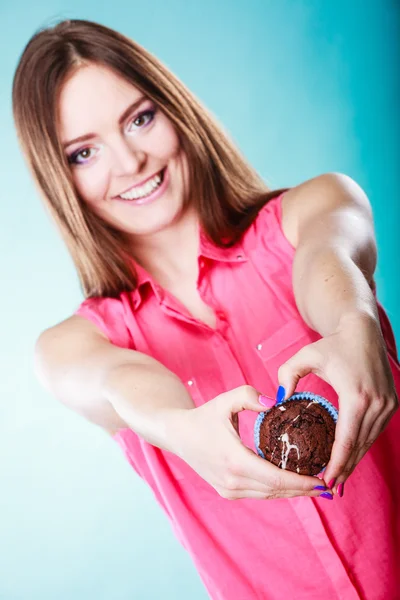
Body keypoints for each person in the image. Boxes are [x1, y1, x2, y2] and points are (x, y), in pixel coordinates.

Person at [12, 18, 400, 600]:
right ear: (59, 176)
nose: (129, 162)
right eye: (84, 152)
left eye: (140, 119)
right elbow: (119, 381)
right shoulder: (73, 346)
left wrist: (352, 321)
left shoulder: (314, 206)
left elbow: (331, 251)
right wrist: (178, 427)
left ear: (175, 110)